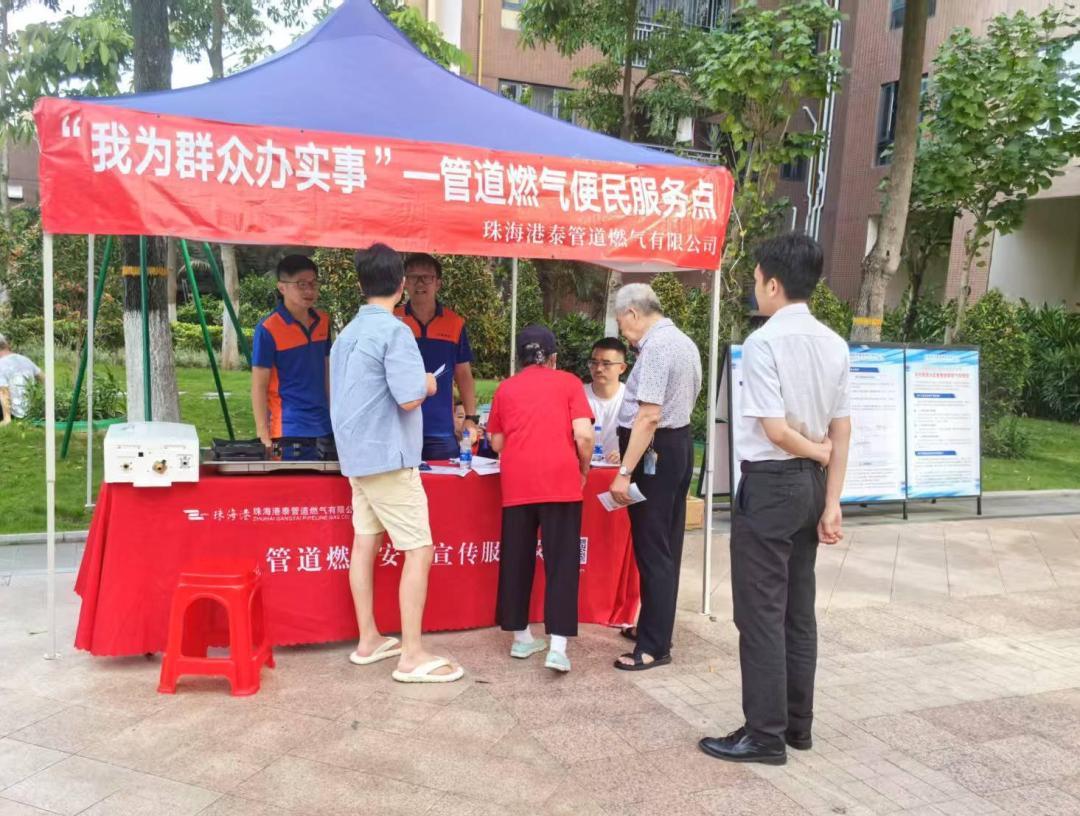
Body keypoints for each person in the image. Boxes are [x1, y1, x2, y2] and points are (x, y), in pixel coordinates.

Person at [699, 233, 851, 765]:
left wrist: (814, 451)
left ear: (773, 283)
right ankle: (796, 727)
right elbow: (842, 428)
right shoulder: (834, 343)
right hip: (811, 488)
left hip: (771, 485)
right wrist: (832, 500)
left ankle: (764, 735)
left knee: (761, 613)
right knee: (797, 611)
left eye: (757, 278)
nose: (754, 287)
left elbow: (776, 430)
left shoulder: (763, 344)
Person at [330, 243, 464, 684]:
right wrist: (428, 383)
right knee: (419, 549)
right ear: (402, 285)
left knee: (364, 544)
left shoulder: (347, 333)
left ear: (360, 282)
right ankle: (412, 655)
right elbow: (408, 397)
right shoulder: (395, 331)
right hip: (388, 455)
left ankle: (368, 638)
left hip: (357, 456)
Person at [487, 325, 594, 673]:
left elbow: (497, 443)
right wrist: (583, 468)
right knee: (561, 562)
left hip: (517, 484)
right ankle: (558, 648)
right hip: (560, 481)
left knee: (516, 559)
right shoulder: (570, 383)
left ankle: (521, 638)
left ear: (519, 358)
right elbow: (584, 435)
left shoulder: (505, 388)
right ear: (553, 357)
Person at [609, 284, 701, 671]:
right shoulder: (683, 342)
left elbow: (648, 416)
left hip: (655, 453)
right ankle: (654, 627)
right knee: (666, 545)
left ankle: (654, 646)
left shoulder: (658, 347)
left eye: (621, 322)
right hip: (676, 446)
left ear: (633, 313)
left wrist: (624, 471)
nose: (622, 331)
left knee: (653, 549)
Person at [395, 253, 481, 460]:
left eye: (427, 277)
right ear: (404, 283)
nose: (420, 283)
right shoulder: (393, 320)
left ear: (438, 284)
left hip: (440, 430)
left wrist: (471, 418)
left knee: (445, 479)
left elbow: (463, 374)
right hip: (399, 428)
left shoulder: (454, 323)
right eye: (413, 277)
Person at [251, 255, 332, 454]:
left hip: (324, 426)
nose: (309, 290)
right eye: (301, 284)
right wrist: (263, 436)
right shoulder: (268, 328)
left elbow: (327, 373)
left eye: (313, 283)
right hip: (287, 429)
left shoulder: (323, 321)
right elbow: (259, 386)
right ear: (282, 288)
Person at [583, 337, 628, 464]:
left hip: (619, 470)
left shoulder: (631, 398)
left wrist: (626, 452)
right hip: (583, 468)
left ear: (622, 368)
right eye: (594, 362)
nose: (598, 369)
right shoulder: (578, 395)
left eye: (606, 364)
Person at [0, 333, 43, 424]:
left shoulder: (1, 364)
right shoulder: (25, 359)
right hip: (29, 410)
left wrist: (7, 418)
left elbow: (4, 391)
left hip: (13, 413)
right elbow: (44, 379)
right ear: (6, 345)